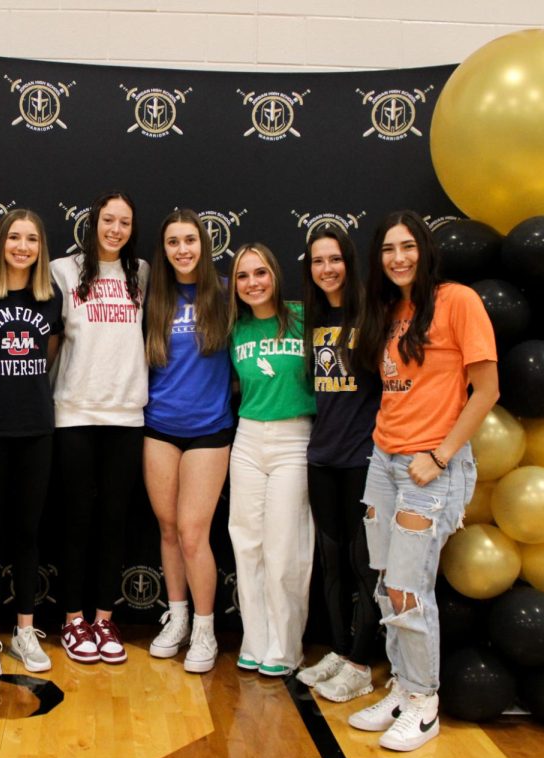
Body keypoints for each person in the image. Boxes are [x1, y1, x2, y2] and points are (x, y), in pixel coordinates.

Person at [347, 210, 498, 752]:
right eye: (388, 250)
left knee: (411, 588)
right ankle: (401, 688)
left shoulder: (457, 300)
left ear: (425, 250)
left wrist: (440, 455)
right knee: (388, 584)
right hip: (384, 461)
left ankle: (424, 702)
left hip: (428, 467)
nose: (398, 258)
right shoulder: (392, 309)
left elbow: (486, 390)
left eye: (407, 247)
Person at [49, 191, 149, 665]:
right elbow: (47, 341)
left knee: (114, 521)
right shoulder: (62, 270)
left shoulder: (143, 274)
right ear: (93, 223)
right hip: (74, 412)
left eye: (124, 222)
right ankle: (72, 621)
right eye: (108, 220)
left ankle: (104, 619)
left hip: (127, 415)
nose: (115, 229)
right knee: (75, 521)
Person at [0, 209, 63, 677]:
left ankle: (24, 630)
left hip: (36, 430)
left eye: (32, 240)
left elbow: (50, 355)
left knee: (28, 533)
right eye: (15, 238)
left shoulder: (50, 298)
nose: (23, 247)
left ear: (41, 249)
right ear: (0, 242)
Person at [294, 226, 383, 703]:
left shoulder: (374, 314)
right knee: (330, 561)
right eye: (316, 261)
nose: (326, 269)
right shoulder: (311, 317)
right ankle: (339, 649)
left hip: (363, 458)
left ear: (349, 261)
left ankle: (361, 663)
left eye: (334, 259)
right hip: (321, 455)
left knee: (363, 562)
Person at [142, 209, 233, 673]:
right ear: (164, 250)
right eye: (173, 241)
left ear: (204, 244)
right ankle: (176, 618)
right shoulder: (154, 296)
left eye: (190, 240)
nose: (182, 249)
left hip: (209, 431)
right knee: (170, 529)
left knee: (195, 533)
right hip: (159, 427)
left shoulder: (223, 290)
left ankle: (204, 628)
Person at [226, 243, 316, 678]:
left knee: (285, 547)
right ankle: (255, 641)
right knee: (247, 542)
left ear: (275, 276)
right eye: (243, 276)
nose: (252, 283)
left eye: (260, 273)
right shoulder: (235, 328)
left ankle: (286, 646)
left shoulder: (302, 317)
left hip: (294, 437)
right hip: (247, 437)